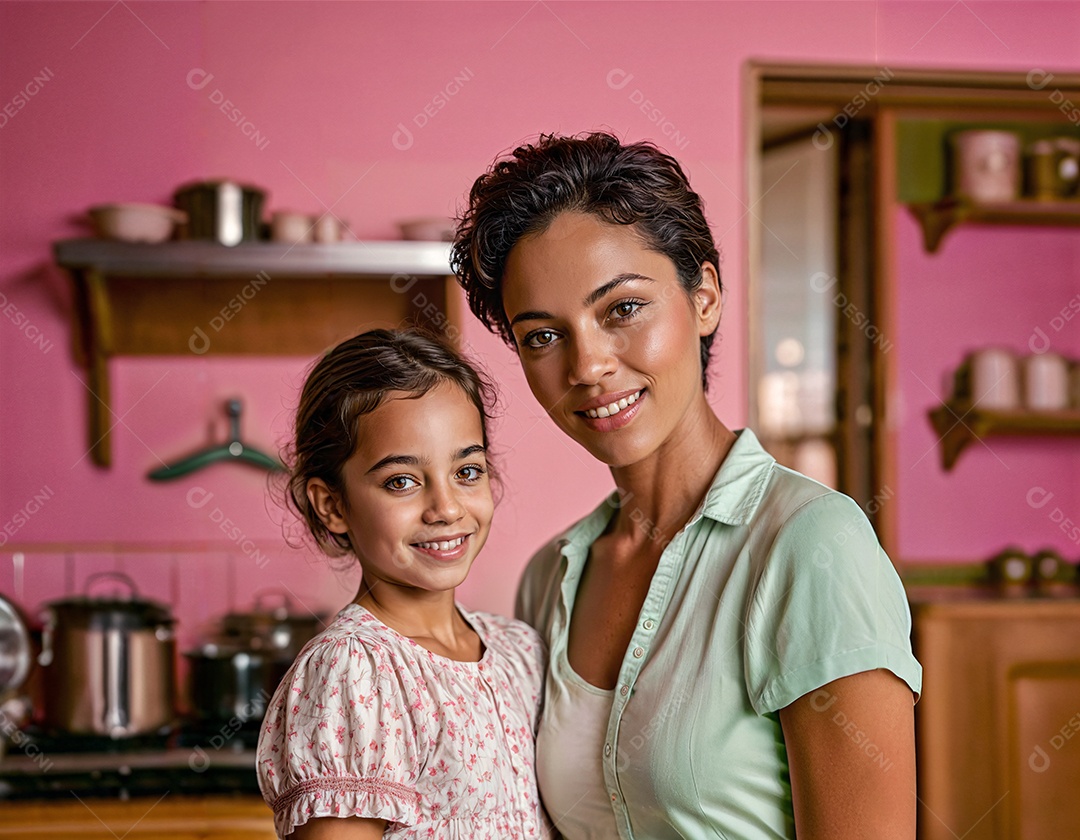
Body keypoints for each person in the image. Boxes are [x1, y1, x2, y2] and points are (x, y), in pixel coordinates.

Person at [452, 132, 922, 840]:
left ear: (704, 298)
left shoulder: (811, 547)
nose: (588, 366)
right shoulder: (550, 578)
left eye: (623, 309)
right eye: (543, 336)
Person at [256, 328, 549, 840]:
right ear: (333, 504)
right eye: (402, 481)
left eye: (467, 470)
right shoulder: (354, 672)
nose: (447, 508)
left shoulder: (520, 651)